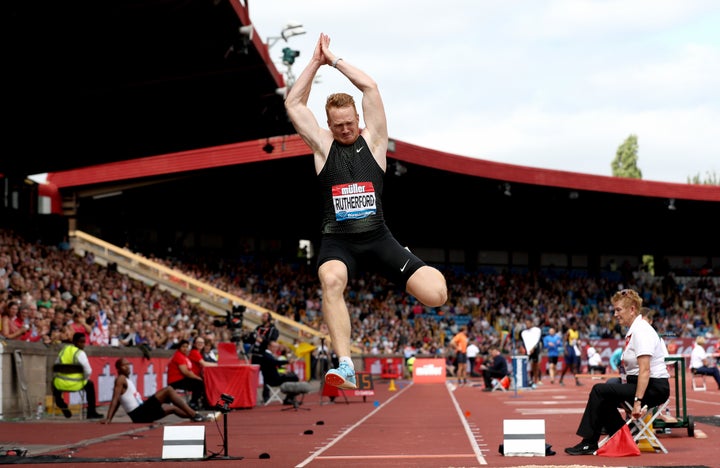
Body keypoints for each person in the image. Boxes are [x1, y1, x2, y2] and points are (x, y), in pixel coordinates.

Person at [284, 33, 448, 390]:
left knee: (437, 294)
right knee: (330, 281)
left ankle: (403, 264)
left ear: (358, 117)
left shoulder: (373, 142)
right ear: (328, 125)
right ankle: (345, 365)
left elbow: (371, 87)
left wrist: (334, 60)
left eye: (350, 122)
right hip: (338, 243)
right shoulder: (323, 145)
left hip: (379, 238)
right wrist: (313, 63)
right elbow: (295, 105)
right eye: (338, 125)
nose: (345, 129)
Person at [565, 288, 670, 455]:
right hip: (639, 383)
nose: (615, 314)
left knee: (599, 390)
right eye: (615, 310)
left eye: (618, 309)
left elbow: (645, 370)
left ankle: (590, 441)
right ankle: (621, 435)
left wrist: (637, 402)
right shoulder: (634, 330)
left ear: (632, 309)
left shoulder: (642, 331)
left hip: (653, 387)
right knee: (604, 395)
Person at [103, 358, 205, 423]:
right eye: (124, 365)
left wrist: (110, 418)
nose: (127, 367)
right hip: (139, 413)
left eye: (128, 364)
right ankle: (194, 414)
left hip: (143, 413)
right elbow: (115, 399)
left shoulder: (127, 380)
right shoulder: (120, 379)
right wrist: (108, 419)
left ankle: (196, 417)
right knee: (168, 390)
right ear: (118, 368)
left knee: (172, 409)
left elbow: (118, 401)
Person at [52, 332, 104, 419]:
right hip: (76, 384)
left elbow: (56, 365)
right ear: (75, 342)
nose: (83, 344)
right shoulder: (80, 353)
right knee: (90, 384)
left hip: (60, 384)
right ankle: (91, 412)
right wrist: (84, 379)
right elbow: (88, 370)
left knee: (54, 382)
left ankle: (60, 403)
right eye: (81, 342)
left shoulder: (64, 350)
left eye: (84, 342)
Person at [167, 339, 205, 410]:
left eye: (187, 347)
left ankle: (195, 402)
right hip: (176, 381)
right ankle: (193, 403)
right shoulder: (178, 356)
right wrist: (197, 377)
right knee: (199, 383)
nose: (185, 349)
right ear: (179, 347)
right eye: (183, 347)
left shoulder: (184, 356)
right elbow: (185, 372)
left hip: (181, 379)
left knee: (200, 382)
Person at [559, 317, 582, 387]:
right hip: (569, 348)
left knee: (575, 366)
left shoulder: (577, 332)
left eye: (576, 325)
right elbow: (564, 340)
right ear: (572, 326)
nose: (576, 326)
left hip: (574, 349)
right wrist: (565, 350)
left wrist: (579, 348)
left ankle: (577, 381)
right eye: (574, 325)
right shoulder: (569, 331)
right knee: (567, 366)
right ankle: (561, 379)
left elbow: (577, 342)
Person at [523, 318, 542, 387]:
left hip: (535, 350)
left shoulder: (536, 331)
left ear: (531, 323)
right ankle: (527, 379)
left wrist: (533, 348)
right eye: (526, 324)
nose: (527, 325)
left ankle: (535, 380)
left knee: (535, 365)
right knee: (525, 364)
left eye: (528, 323)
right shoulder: (524, 332)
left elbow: (537, 340)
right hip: (528, 350)